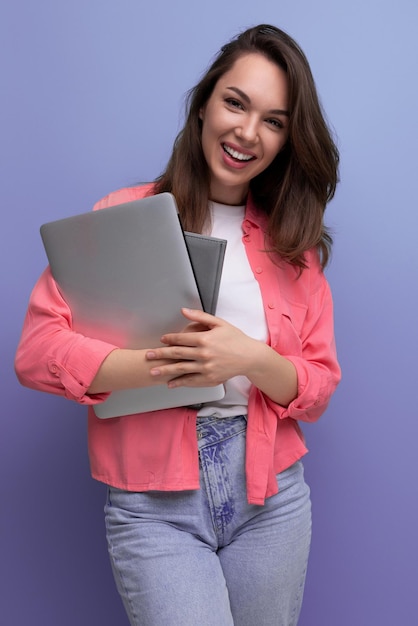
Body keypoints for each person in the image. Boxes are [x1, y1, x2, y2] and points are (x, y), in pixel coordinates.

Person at [15, 24, 341, 626]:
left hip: (270, 495)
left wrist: (244, 357)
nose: (247, 132)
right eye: (235, 103)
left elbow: (317, 385)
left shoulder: (296, 248)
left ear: (288, 139)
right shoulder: (120, 216)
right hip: (152, 505)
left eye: (274, 120)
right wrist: (172, 368)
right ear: (203, 106)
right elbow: (38, 352)